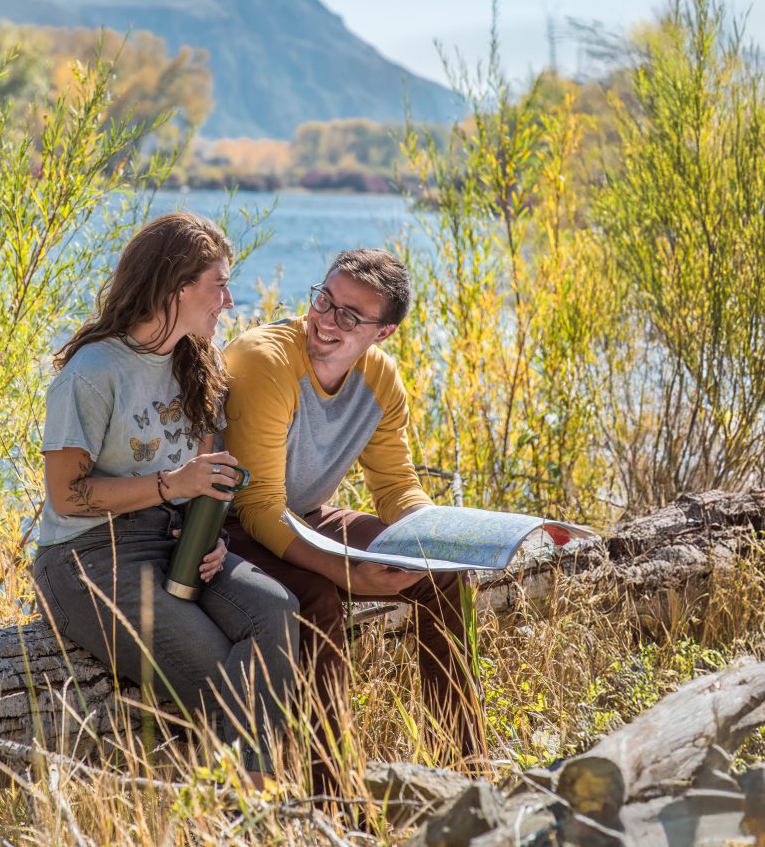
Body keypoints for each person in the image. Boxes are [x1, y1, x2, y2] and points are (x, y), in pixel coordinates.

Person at [32, 212, 299, 782]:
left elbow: (204, 477)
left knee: (278, 609)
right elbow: (67, 496)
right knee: (218, 677)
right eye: (218, 284)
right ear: (174, 287)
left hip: (174, 541)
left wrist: (213, 540)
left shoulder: (196, 362)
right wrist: (168, 486)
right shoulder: (93, 372)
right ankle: (246, 815)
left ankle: (243, 806)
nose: (228, 300)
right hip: (87, 559)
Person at [222, 248, 481, 782]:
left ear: (382, 333)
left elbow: (395, 486)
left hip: (303, 514)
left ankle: (463, 770)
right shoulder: (264, 360)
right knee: (315, 596)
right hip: (230, 527)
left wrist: (431, 536)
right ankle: (334, 793)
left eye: (349, 316)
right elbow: (258, 506)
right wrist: (346, 570)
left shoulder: (380, 380)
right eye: (324, 299)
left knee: (445, 574)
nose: (324, 319)